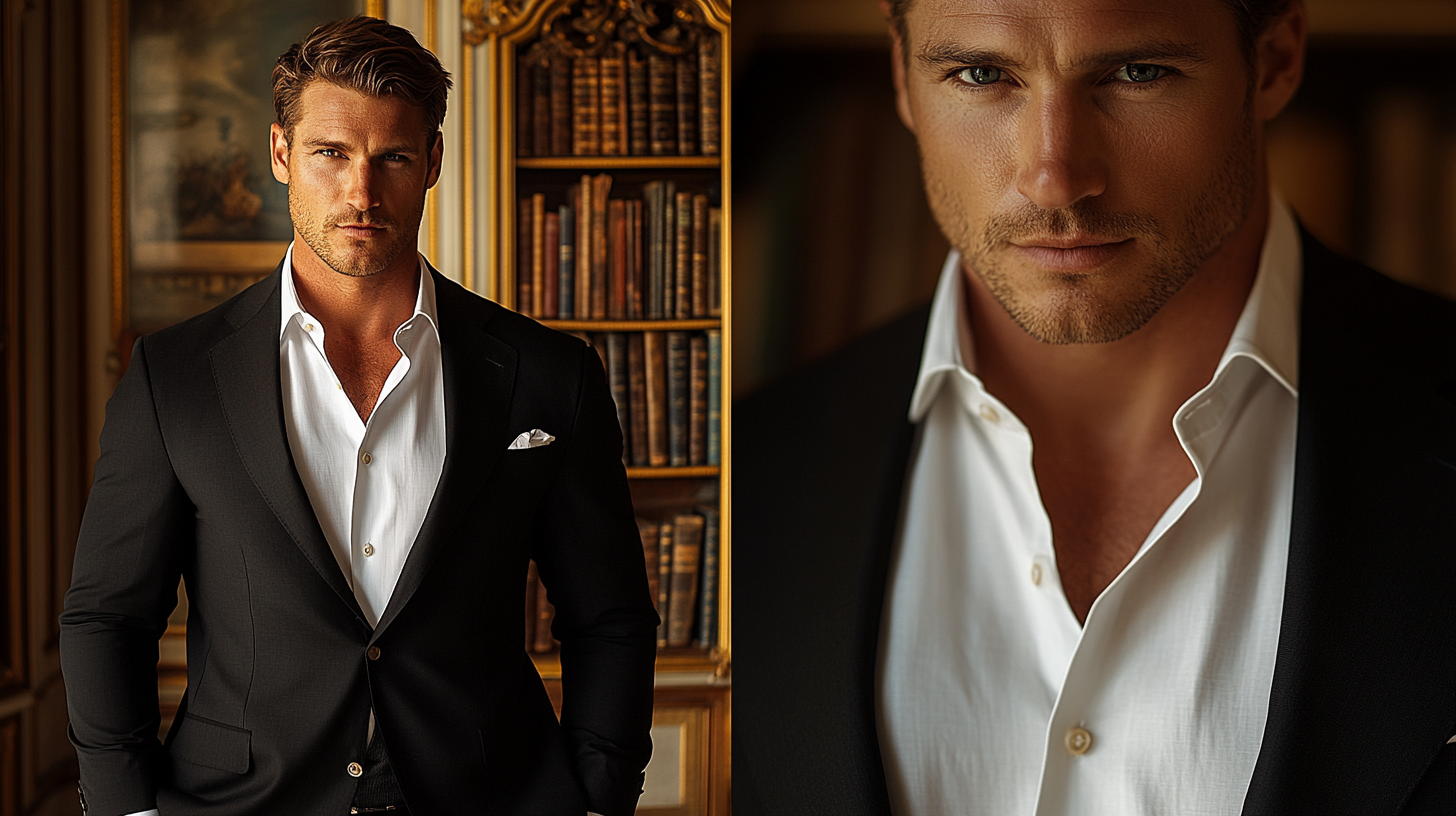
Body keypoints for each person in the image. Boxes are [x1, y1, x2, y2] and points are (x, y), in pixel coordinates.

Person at [734, 0, 1455, 813]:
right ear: (902, 74)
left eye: (1137, 73)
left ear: (1278, 60)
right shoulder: (741, 483)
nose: (1056, 176)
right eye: (981, 75)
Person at [60, 16, 656, 816]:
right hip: (245, 800)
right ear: (281, 154)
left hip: (490, 794)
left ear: (432, 162)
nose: (362, 193)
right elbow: (107, 615)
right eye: (331, 154)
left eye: (394, 158)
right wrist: (126, 808)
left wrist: (597, 794)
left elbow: (610, 615)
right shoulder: (173, 377)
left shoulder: (550, 374)